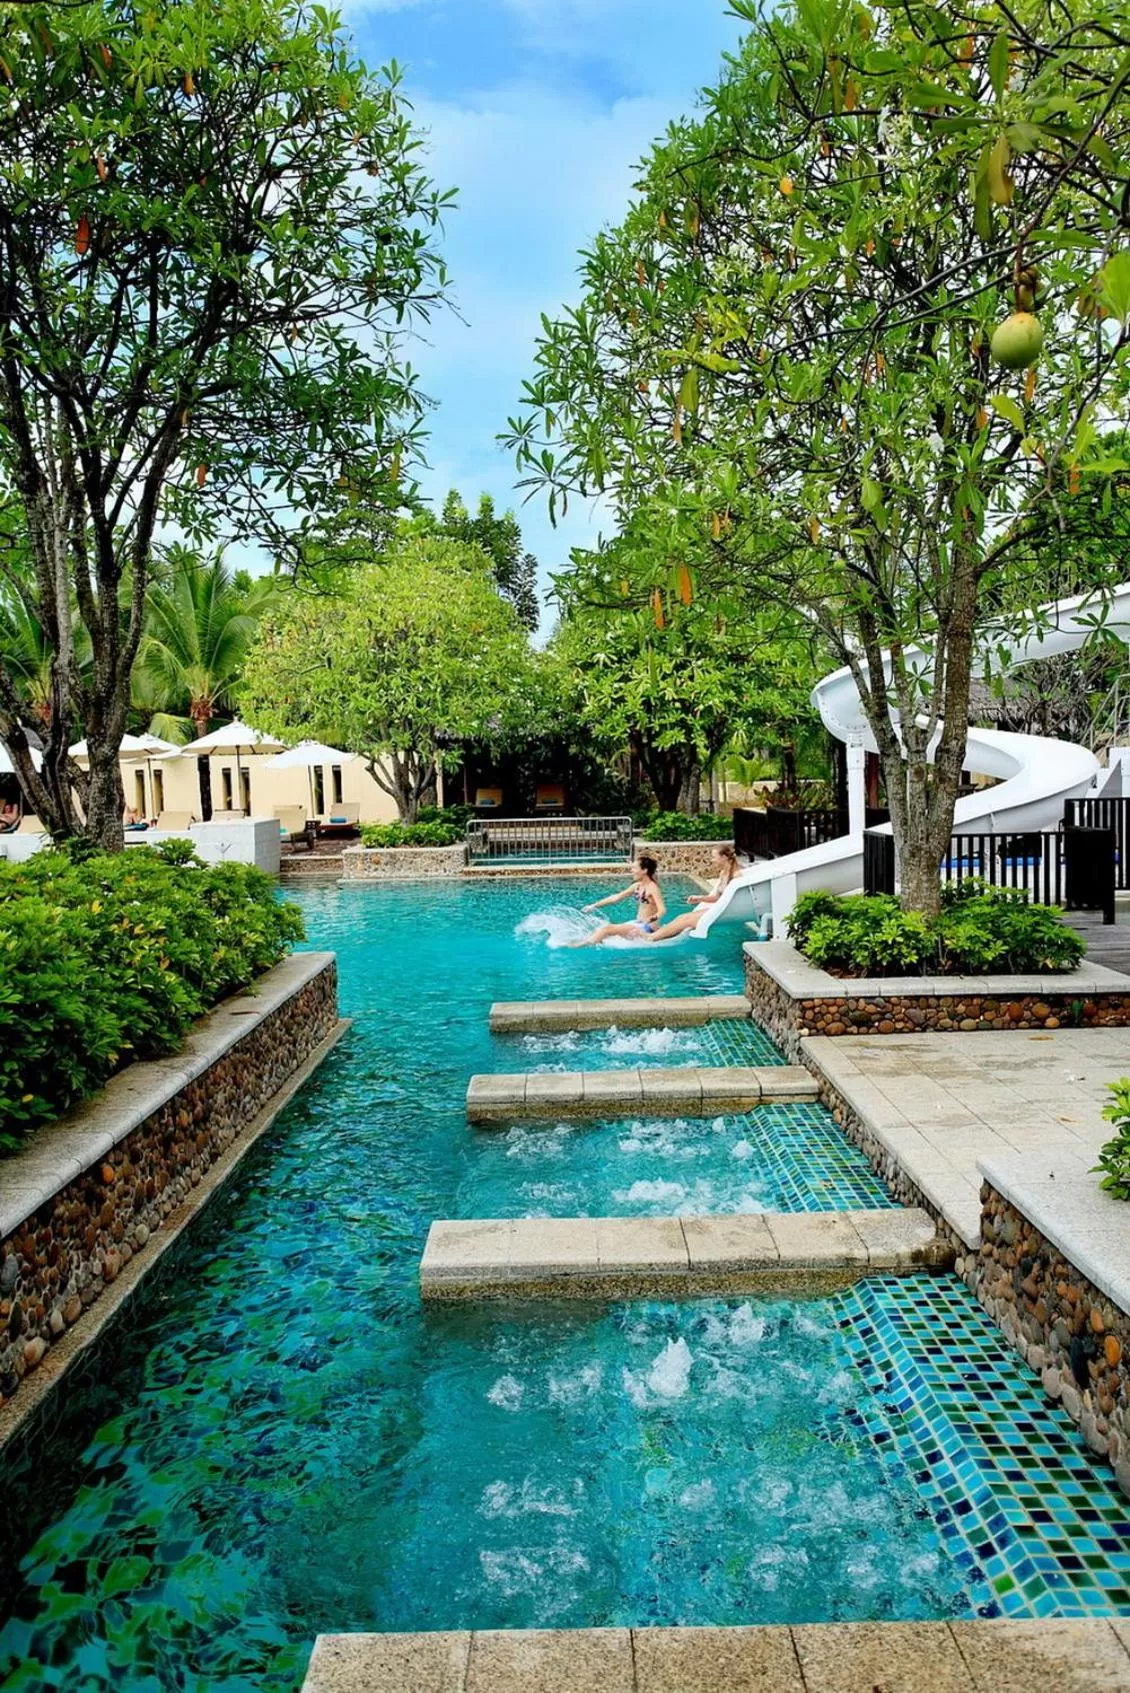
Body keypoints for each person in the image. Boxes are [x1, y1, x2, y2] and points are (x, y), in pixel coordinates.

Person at [646, 845, 741, 942]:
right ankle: (655, 936)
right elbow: (716, 897)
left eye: (714, 857)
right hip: (718, 908)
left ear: (724, 857)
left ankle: (652, 938)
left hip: (725, 911)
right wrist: (699, 898)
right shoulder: (723, 873)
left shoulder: (736, 875)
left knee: (687, 921)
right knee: (682, 917)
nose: (712, 860)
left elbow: (733, 900)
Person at [569, 854, 666, 946]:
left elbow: (662, 910)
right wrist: (594, 905)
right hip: (637, 923)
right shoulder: (637, 886)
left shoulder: (653, 888)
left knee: (607, 929)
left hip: (647, 928)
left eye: (634, 868)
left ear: (644, 870)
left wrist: (649, 920)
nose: (631, 870)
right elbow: (615, 898)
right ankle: (592, 942)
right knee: (604, 931)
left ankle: (581, 945)